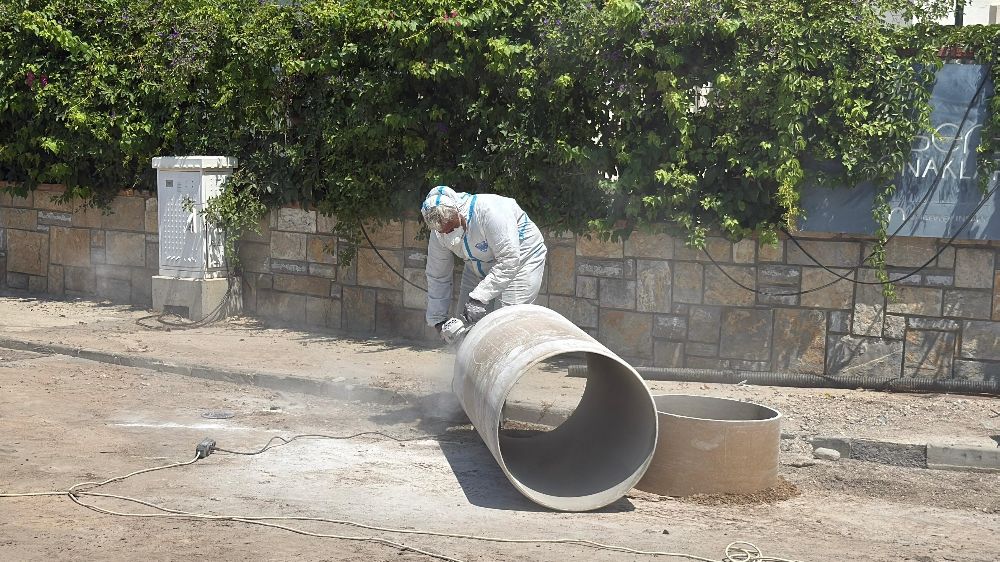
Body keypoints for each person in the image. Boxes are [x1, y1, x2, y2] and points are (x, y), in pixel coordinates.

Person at [421, 185, 547, 341]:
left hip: (521, 259)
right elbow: (437, 275)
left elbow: (509, 261)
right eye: (443, 232)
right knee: (464, 328)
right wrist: (438, 320)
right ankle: (469, 365)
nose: (449, 234)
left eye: (452, 227)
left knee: (505, 325)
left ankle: (506, 363)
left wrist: (479, 298)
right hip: (478, 263)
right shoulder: (438, 233)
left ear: (457, 211)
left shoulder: (491, 212)